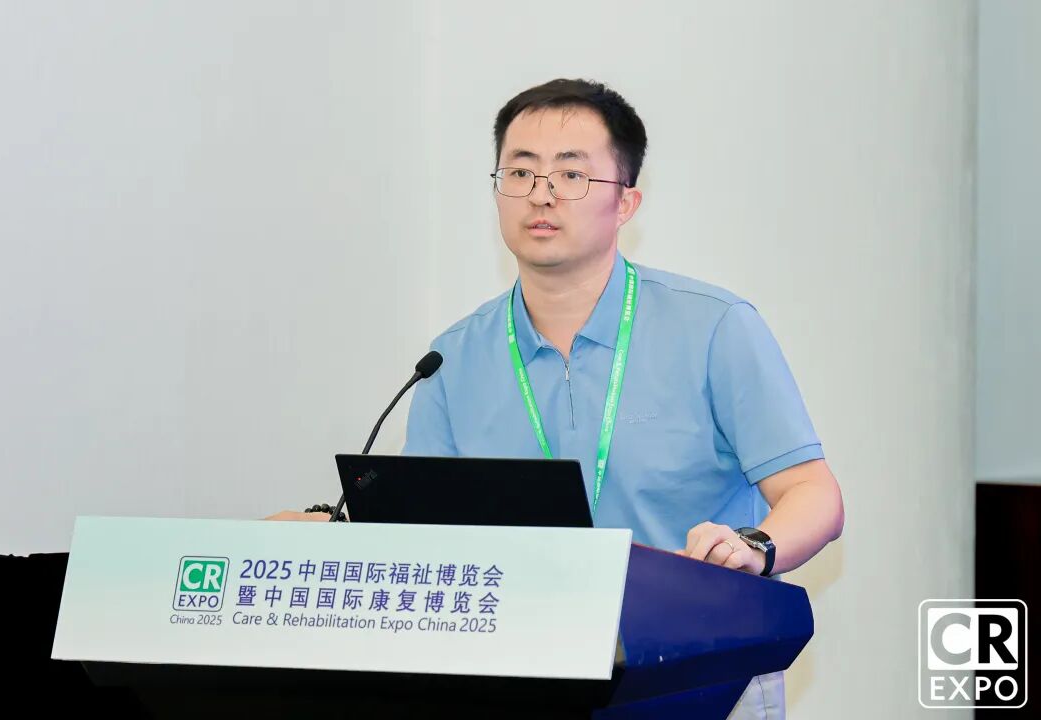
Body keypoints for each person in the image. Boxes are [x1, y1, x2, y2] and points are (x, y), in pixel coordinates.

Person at [271, 78, 844, 720]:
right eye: (520, 172)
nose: (540, 194)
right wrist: (330, 537)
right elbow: (422, 533)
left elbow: (814, 493)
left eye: (571, 174)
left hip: (700, 670)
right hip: (524, 674)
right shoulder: (452, 358)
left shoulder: (714, 327)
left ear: (626, 203)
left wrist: (755, 546)